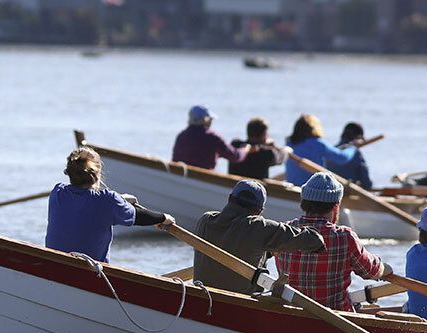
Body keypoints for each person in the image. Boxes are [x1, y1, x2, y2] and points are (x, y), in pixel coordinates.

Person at [275, 172, 392, 311]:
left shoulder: (283, 232)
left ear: (303, 203)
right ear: (336, 206)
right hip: (336, 316)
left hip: (293, 313)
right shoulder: (344, 237)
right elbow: (370, 271)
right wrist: (385, 269)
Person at [193, 180, 325, 294]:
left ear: (229, 199)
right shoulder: (259, 227)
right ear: (259, 210)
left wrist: (267, 252)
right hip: (241, 304)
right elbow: (315, 241)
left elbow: (230, 242)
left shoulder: (206, 219)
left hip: (202, 298)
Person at [45, 147, 173, 263]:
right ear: (96, 176)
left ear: (69, 174)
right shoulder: (108, 200)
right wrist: (163, 217)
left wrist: (120, 199)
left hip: (54, 265)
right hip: (89, 272)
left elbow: (86, 202)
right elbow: (140, 217)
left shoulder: (57, 192)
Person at [284, 114, 359, 186]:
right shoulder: (318, 144)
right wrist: (353, 147)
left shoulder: (289, 143)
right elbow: (342, 158)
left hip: (292, 185)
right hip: (312, 188)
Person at [172, 105, 250, 170]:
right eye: (210, 119)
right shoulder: (212, 137)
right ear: (205, 120)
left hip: (180, 175)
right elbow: (235, 156)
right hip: (202, 178)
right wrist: (245, 150)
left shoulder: (181, 136)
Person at [327, 122, 373, 189]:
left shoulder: (332, 151)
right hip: (347, 192)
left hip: (329, 191)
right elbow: (366, 182)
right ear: (359, 138)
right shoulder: (355, 153)